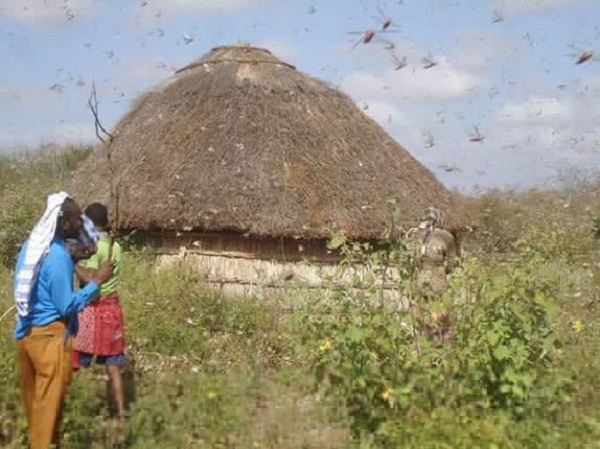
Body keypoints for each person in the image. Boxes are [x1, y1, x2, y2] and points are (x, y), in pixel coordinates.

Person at [13, 193, 113, 449]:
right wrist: (96, 282)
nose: (81, 222)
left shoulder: (33, 246)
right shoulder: (57, 257)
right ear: (63, 222)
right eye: (76, 218)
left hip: (27, 335)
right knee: (48, 412)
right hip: (49, 339)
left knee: (37, 409)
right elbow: (67, 305)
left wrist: (75, 258)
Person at [72, 202, 127, 421]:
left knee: (77, 362)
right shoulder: (117, 248)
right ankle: (122, 414)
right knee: (113, 366)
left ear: (91, 224)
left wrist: (73, 263)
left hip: (91, 308)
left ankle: (76, 410)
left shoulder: (93, 246)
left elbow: (92, 279)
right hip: (112, 308)